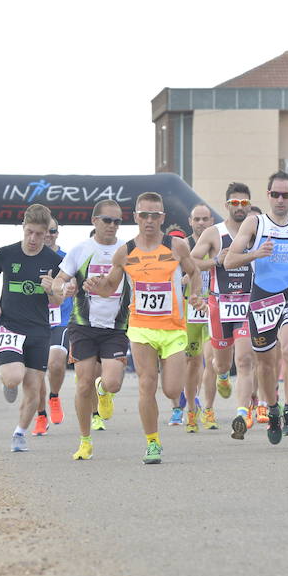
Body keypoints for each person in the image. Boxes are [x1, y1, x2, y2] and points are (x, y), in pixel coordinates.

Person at [84, 191, 204, 464]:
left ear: (162, 217)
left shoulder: (176, 246)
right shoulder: (125, 251)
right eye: (144, 215)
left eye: (155, 215)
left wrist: (196, 295)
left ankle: (107, 388)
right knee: (146, 385)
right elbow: (110, 288)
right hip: (140, 327)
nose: (149, 220)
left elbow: (194, 272)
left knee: (173, 390)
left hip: (173, 328)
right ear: (136, 217)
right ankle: (152, 443)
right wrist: (95, 286)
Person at [224, 170, 288, 445]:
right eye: (275, 194)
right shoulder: (255, 224)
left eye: (286, 195)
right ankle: (274, 410)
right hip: (261, 300)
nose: (280, 199)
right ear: (268, 195)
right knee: (265, 366)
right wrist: (256, 253)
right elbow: (230, 260)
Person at [53, 199, 131, 460]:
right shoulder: (80, 250)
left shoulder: (127, 250)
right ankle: (85, 441)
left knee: (113, 383)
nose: (112, 226)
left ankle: (105, 390)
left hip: (116, 327)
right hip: (83, 326)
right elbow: (59, 281)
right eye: (107, 220)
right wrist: (65, 288)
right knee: (83, 383)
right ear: (94, 221)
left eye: (118, 221)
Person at [0, 204, 64, 453]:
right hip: (11, 326)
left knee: (33, 387)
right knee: (14, 377)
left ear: (47, 233)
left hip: (40, 331)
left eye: (40, 234)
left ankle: (20, 432)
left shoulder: (54, 261)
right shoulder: (5, 254)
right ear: (23, 228)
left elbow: (59, 301)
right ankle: (7, 383)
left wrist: (52, 289)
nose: (34, 239)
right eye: (29, 232)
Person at [191, 183, 257, 436]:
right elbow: (193, 261)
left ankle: (242, 413)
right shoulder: (213, 233)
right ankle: (221, 376)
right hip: (220, 305)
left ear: (249, 205)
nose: (239, 207)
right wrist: (216, 260)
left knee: (245, 360)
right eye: (235, 203)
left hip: (248, 304)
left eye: (244, 203)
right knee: (220, 364)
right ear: (227, 205)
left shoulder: (258, 231)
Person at [33, 217, 71, 435]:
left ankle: (54, 397)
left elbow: (76, 281)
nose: (48, 235)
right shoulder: (29, 257)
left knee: (55, 364)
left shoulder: (66, 259)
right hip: (36, 320)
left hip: (61, 319)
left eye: (53, 231)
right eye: (45, 231)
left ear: (58, 233)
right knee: (36, 373)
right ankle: (40, 415)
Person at [180, 204, 214, 432]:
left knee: (212, 360)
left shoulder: (218, 242)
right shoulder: (181, 246)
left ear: (211, 221)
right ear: (190, 221)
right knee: (192, 362)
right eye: (197, 219)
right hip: (189, 308)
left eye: (205, 219)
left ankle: (209, 410)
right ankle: (191, 409)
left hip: (212, 305)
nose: (201, 223)